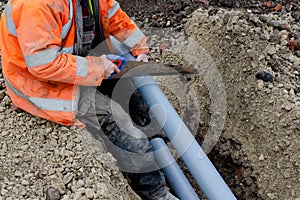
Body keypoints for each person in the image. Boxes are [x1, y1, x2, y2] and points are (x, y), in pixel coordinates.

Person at [0, 0, 178, 199]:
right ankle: (154, 192)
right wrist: (96, 68)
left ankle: (166, 154)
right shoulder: (36, 4)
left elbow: (113, 15)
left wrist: (139, 47)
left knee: (134, 95)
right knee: (117, 121)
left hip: (77, 63)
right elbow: (43, 65)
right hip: (43, 85)